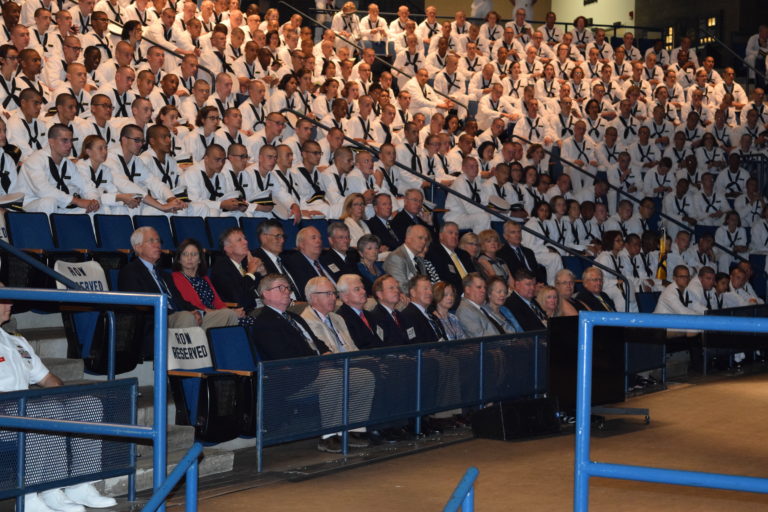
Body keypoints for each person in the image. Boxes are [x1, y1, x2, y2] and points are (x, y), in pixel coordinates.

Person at [0, 286, 119, 512]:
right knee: (38, 411)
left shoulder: (15, 340)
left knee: (88, 405)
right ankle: (29, 495)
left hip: (23, 409)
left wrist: (61, 396)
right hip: (4, 415)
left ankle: (78, 485)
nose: (11, 304)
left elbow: (47, 379)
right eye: (3, 300)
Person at [250, 274, 374, 454]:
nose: (287, 292)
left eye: (288, 287)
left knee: (364, 376)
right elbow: (283, 355)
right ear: (265, 294)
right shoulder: (264, 322)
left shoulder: (294, 317)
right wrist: (319, 363)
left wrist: (326, 353)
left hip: (313, 370)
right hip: (291, 378)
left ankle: (353, 429)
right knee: (333, 377)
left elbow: (317, 342)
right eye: (281, 288)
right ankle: (329, 435)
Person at [118, 227, 238, 358]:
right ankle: (188, 367)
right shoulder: (130, 272)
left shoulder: (164, 275)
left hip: (179, 318)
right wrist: (182, 314)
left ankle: (224, 361)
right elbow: (140, 307)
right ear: (138, 247)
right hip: (157, 323)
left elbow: (181, 302)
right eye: (151, 241)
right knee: (186, 317)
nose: (157, 244)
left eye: (158, 241)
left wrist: (198, 312)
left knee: (228, 315)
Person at [171, 238, 252, 327]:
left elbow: (218, 302)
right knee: (237, 319)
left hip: (218, 315)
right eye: (185, 254)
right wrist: (229, 313)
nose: (189, 258)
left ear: (199, 259)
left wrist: (233, 312)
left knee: (253, 321)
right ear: (179, 259)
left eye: (194, 254)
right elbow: (193, 306)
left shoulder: (204, 278)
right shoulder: (175, 277)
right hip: (200, 318)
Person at [209, 227, 265, 314]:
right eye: (239, 240)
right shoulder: (221, 268)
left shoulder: (246, 263)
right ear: (228, 248)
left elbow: (263, 289)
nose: (246, 242)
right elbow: (238, 298)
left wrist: (262, 272)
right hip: (245, 312)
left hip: (262, 307)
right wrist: (250, 272)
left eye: (245, 239)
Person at [283, 226, 337, 301]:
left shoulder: (328, 259)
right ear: (302, 244)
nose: (319, 241)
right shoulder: (295, 264)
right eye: (313, 238)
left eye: (320, 238)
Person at [426, 221, 475, 292]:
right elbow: (443, 279)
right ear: (441, 236)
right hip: (453, 293)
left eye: (456, 234)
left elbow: (474, 275)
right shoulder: (434, 253)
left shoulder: (464, 254)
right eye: (450, 233)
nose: (454, 236)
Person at [383, 224, 432, 293]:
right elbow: (401, 288)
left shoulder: (419, 259)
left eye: (425, 239)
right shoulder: (396, 258)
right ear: (408, 238)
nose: (423, 242)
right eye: (420, 238)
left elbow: (425, 285)